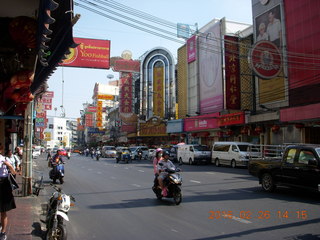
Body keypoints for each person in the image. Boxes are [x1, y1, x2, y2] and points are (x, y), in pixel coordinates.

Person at [0, 148, 17, 240]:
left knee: (3, 210)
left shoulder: (3, 159)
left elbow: (13, 171)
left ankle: (3, 232)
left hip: (3, 185)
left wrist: (8, 165)